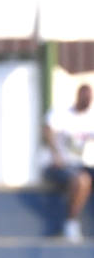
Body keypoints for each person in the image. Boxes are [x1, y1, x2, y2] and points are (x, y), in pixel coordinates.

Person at [42, 81, 94, 242]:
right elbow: (47, 130)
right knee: (82, 180)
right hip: (58, 165)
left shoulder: (89, 118)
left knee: (83, 175)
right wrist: (56, 154)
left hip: (80, 165)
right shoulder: (61, 114)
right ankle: (70, 223)